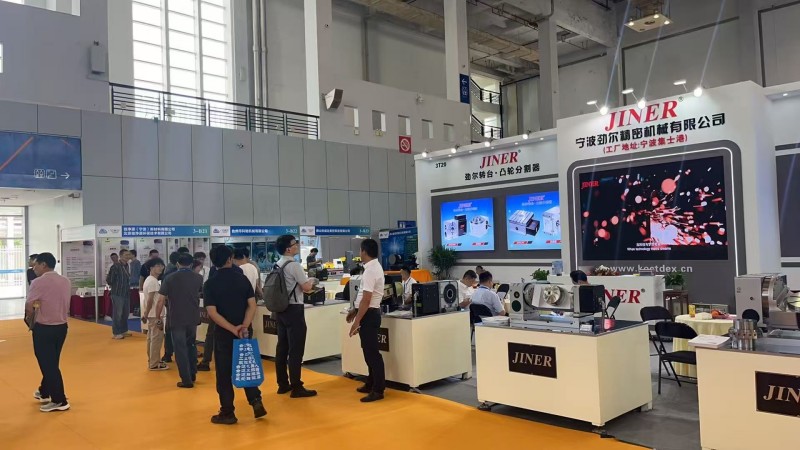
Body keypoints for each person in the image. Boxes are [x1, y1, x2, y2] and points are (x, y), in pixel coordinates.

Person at [204, 245, 266, 424]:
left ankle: (227, 412)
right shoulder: (242, 279)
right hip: (244, 333)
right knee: (246, 366)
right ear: (230, 258)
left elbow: (212, 312)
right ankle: (255, 400)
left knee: (223, 374)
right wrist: (244, 326)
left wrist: (232, 328)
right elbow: (252, 305)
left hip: (223, 333)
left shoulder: (210, 284)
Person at [26, 253, 72, 412]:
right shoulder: (65, 280)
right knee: (52, 361)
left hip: (44, 328)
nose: (34, 268)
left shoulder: (38, 282)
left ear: (44, 264)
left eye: (36, 265)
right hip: (62, 327)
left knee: (48, 364)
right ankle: (44, 391)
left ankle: (59, 400)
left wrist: (30, 320)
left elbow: (29, 305)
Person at [273, 235, 317, 398]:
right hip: (294, 309)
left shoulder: (278, 264)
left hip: (281, 309)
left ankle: (282, 384)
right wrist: (311, 281)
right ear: (288, 249)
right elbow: (306, 287)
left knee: (282, 347)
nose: (297, 245)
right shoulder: (294, 265)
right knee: (296, 349)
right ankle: (297, 386)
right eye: (294, 244)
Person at [157, 253, 203, 388]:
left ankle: (186, 379)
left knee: (180, 348)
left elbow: (160, 300)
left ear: (177, 264)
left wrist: (158, 316)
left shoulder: (169, 278)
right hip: (193, 317)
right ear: (191, 264)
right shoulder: (198, 278)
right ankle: (193, 373)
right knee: (191, 344)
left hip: (176, 317)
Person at [347, 239, 385, 403]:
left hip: (369, 315)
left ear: (364, 251)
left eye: (360, 250)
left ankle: (378, 389)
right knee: (368, 351)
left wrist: (357, 321)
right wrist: (354, 311)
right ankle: (371, 382)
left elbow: (367, 299)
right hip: (367, 313)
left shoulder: (371, 270)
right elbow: (363, 296)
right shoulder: (372, 268)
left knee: (372, 353)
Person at [141, 258, 167, 371]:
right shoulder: (153, 282)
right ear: (151, 268)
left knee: (151, 338)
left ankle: (152, 360)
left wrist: (146, 313)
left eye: (161, 265)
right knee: (156, 339)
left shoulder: (149, 279)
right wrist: (147, 314)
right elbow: (151, 300)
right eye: (157, 266)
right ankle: (154, 363)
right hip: (155, 314)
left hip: (152, 314)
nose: (160, 268)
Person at [106, 249, 132, 339]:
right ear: (120, 256)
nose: (127, 256)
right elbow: (109, 280)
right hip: (117, 293)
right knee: (118, 313)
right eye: (125, 255)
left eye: (128, 255)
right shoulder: (115, 266)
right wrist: (116, 285)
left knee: (125, 313)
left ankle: (123, 330)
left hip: (126, 293)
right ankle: (116, 333)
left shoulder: (127, 266)